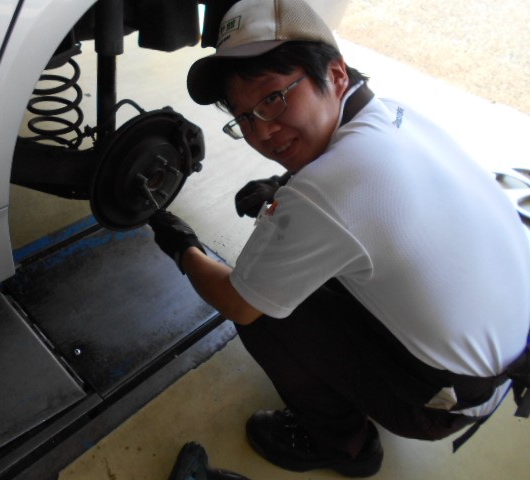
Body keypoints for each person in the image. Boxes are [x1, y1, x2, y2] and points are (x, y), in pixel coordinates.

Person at [149, 0, 530, 477]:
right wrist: (283, 189)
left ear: (335, 74)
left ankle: (344, 445)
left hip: (441, 404)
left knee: (266, 309)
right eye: (243, 118)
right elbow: (362, 198)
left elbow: (239, 301)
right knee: (300, 262)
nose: (262, 132)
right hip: (502, 359)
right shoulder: (396, 114)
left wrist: (182, 246)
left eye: (273, 99)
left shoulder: (326, 192)